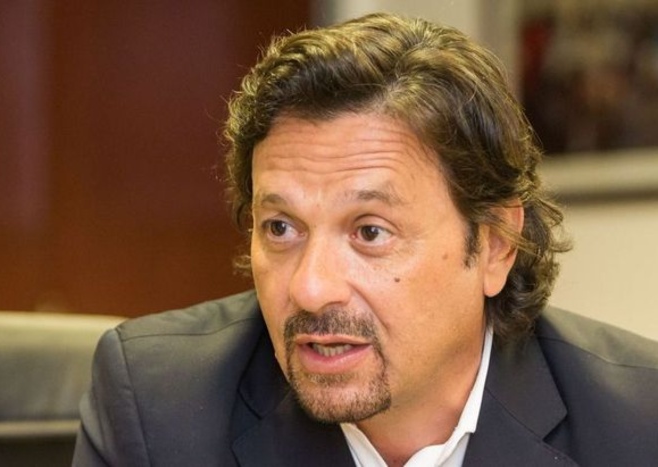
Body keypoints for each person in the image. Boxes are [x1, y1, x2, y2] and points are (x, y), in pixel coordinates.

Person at [72, 12, 658, 467]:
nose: (310, 288)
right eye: (281, 228)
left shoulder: (639, 425)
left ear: (497, 244)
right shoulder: (158, 408)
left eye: (370, 232)